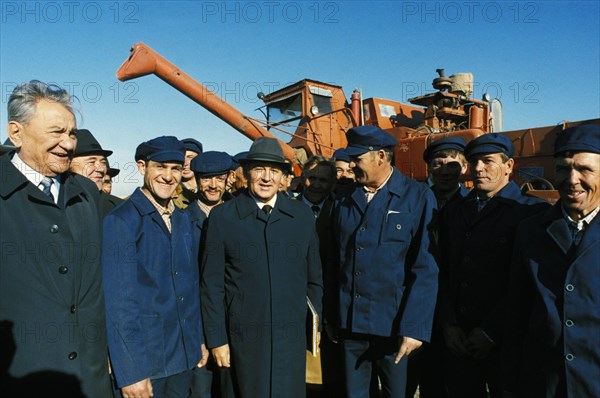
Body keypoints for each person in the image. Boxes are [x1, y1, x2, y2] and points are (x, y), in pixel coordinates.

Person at [0, 81, 111, 396]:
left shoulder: (87, 193)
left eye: (72, 133)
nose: (68, 143)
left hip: (89, 381)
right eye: (56, 132)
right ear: (16, 132)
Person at [201, 137, 323, 398]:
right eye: (259, 169)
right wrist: (217, 340)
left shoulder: (301, 217)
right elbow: (211, 285)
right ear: (247, 173)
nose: (266, 178)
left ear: (283, 177)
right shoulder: (223, 217)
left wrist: (314, 327)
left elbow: (314, 279)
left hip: (289, 340)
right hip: (241, 340)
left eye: (274, 171)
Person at [326, 125, 439, 398]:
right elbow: (332, 262)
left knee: (395, 393)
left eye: (357, 160)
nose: (351, 166)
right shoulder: (342, 202)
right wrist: (330, 314)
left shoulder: (418, 197)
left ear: (380, 156)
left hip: (393, 327)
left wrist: (414, 328)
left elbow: (425, 267)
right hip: (350, 324)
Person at [437, 133, 549, 398]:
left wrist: (490, 331)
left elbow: (531, 284)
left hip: (507, 342)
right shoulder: (454, 210)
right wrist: (448, 324)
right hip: (459, 340)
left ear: (509, 165)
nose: (478, 169)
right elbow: (439, 269)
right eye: (474, 161)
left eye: (488, 161)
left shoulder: (531, 212)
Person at [102, 136, 208, 398]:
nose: (168, 176)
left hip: (184, 357)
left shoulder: (184, 220)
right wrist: (131, 371)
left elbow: (191, 287)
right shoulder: (122, 221)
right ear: (142, 167)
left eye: (175, 168)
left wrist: (198, 342)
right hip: (146, 365)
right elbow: (119, 304)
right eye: (160, 167)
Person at [503, 124, 600, 397]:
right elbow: (516, 313)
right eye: (562, 168)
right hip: (544, 383)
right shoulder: (530, 231)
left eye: (585, 169)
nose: (571, 179)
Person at [186, 151, 235, 398]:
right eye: (206, 179)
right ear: (196, 180)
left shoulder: (240, 217)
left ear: (229, 178)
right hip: (197, 328)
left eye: (219, 178)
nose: (213, 185)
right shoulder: (182, 221)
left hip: (234, 325)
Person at [69, 128, 123, 214]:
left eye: (103, 162)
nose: (101, 169)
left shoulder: (120, 209)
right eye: (91, 162)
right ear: (69, 164)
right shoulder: (55, 203)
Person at [423, 137, 470, 208]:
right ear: (429, 167)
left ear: (464, 168)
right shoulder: (420, 200)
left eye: (452, 165)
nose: (444, 172)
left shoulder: (472, 203)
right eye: (438, 164)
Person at [173, 137, 203, 208]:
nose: (185, 163)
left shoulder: (209, 188)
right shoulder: (171, 190)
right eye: (182, 157)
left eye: (190, 157)